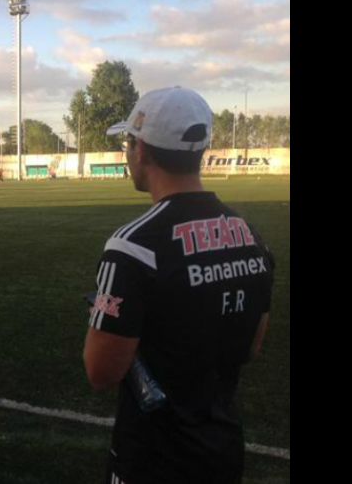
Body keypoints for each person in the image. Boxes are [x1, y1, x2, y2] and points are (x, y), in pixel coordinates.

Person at [81, 86, 274, 484]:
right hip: (220, 451)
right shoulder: (252, 237)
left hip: (152, 459)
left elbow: (100, 372)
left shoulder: (132, 246)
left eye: (127, 142)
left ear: (143, 150)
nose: (127, 151)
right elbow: (251, 345)